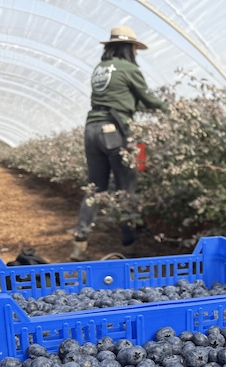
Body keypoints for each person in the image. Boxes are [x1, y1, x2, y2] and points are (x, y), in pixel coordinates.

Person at [70, 25, 169, 261]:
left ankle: (79, 244)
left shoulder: (100, 69)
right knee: (126, 189)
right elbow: (148, 99)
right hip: (114, 131)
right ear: (128, 48)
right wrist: (170, 109)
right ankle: (129, 246)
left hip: (92, 129)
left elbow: (121, 100)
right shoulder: (129, 68)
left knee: (95, 188)